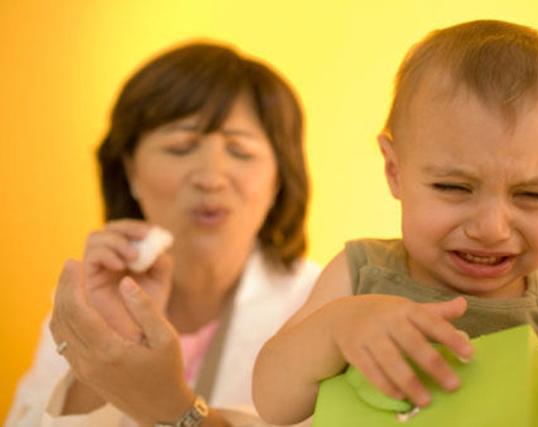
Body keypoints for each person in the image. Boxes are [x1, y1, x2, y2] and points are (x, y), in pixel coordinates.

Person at [252, 20, 538, 426]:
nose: (491, 229)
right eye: (454, 187)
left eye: (534, 195)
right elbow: (271, 403)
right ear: (394, 169)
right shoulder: (362, 274)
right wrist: (337, 329)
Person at [7, 42, 320, 426]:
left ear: (279, 179)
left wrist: (172, 406)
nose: (211, 178)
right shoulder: (87, 295)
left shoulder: (319, 302)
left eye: (240, 151)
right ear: (131, 172)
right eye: (181, 147)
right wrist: (104, 343)